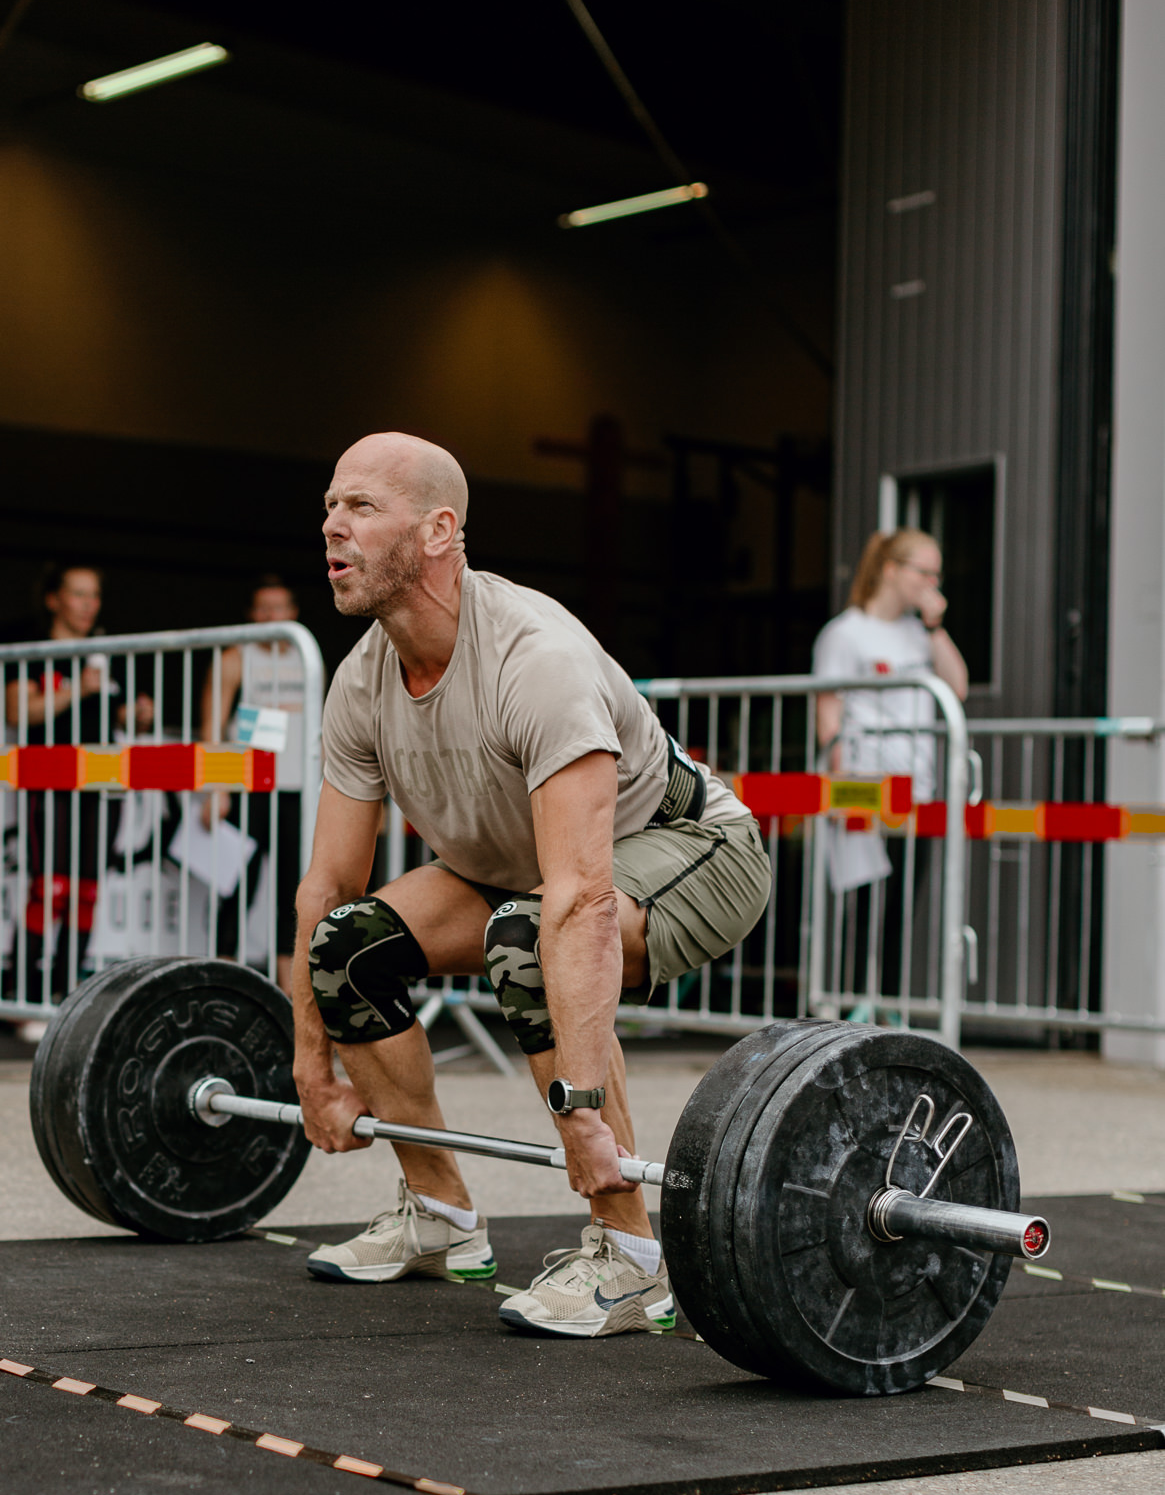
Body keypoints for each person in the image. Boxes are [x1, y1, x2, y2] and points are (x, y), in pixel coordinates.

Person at [293, 432, 772, 1337]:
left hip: (689, 845)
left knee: (526, 936)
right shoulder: (361, 683)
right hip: (515, 872)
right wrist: (309, 1066)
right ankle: (440, 1217)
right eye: (328, 506)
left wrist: (583, 1115)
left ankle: (630, 1257)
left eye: (360, 507)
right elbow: (325, 885)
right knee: (346, 948)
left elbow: (581, 900)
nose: (332, 527)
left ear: (439, 530)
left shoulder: (534, 659)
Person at [812, 527, 969, 1000]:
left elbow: (956, 688)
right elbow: (829, 710)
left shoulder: (917, 634)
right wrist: (841, 782)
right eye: (924, 571)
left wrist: (934, 626)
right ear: (892, 570)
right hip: (865, 783)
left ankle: (891, 1006)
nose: (932, 581)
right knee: (864, 902)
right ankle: (853, 1004)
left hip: (916, 785)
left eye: (936, 573)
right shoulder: (846, 633)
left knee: (902, 906)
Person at [5, 563, 153, 1040]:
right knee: (48, 887)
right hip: (47, 783)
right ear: (54, 600)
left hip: (102, 785)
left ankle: (65, 996)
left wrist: (141, 713)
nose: (89, 604)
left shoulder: (107, 653)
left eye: (95, 595)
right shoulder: (33, 652)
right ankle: (24, 997)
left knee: (87, 890)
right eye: (79, 594)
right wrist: (74, 690)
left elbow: (125, 713)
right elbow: (17, 711)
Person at [202, 575, 305, 991]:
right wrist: (217, 789)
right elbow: (213, 726)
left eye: (278, 608)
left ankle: (289, 991)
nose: (271, 617)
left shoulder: (306, 658)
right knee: (235, 886)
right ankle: (219, 979)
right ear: (251, 616)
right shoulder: (235, 658)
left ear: (293, 614)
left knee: (293, 892)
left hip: (296, 789)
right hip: (248, 789)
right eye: (263, 609)